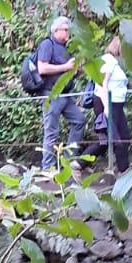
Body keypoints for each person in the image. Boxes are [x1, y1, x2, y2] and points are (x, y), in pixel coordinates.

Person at [35, 16, 86, 174]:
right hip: (52, 94)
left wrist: (77, 70)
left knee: (79, 120)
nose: (67, 32)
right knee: (51, 131)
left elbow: (67, 70)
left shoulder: (66, 48)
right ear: (55, 30)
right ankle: (48, 168)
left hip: (66, 94)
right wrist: (65, 67)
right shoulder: (47, 45)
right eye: (65, 29)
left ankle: (68, 160)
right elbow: (42, 68)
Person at [97, 36, 130, 174]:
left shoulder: (116, 62)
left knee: (123, 135)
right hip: (109, 102)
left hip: (117, 104)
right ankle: (79, 163)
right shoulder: (109, 60)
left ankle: (123, 168)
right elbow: (102, 83)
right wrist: (106, 107)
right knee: (114, 137)